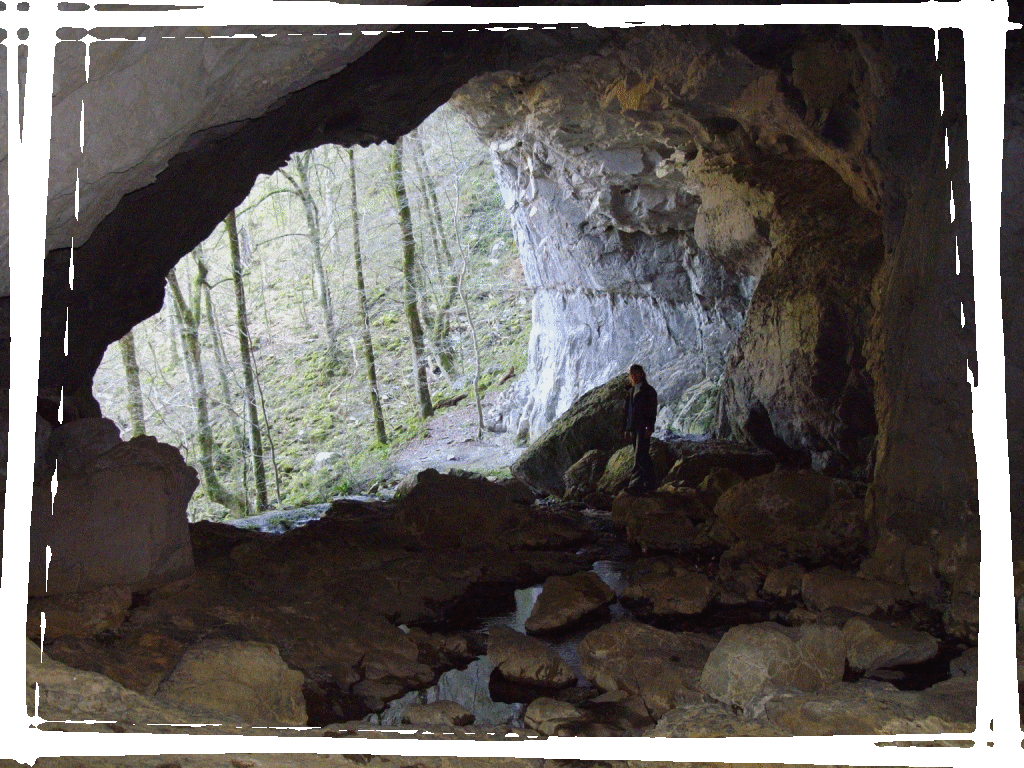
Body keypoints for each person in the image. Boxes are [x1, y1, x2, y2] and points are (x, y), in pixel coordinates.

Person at [623, 364, 657, 493]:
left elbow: (652, 411)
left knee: (640, 455)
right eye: (632, 375)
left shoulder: (649, 391)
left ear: (642, 374)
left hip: (643, 426)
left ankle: (635, 485)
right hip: (633, 427)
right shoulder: (630, 391)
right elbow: (627, 412)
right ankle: (650, 483)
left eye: (636, 373)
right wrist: (626, 429)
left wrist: (650, 426)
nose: (634, 377)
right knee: (643, 455)